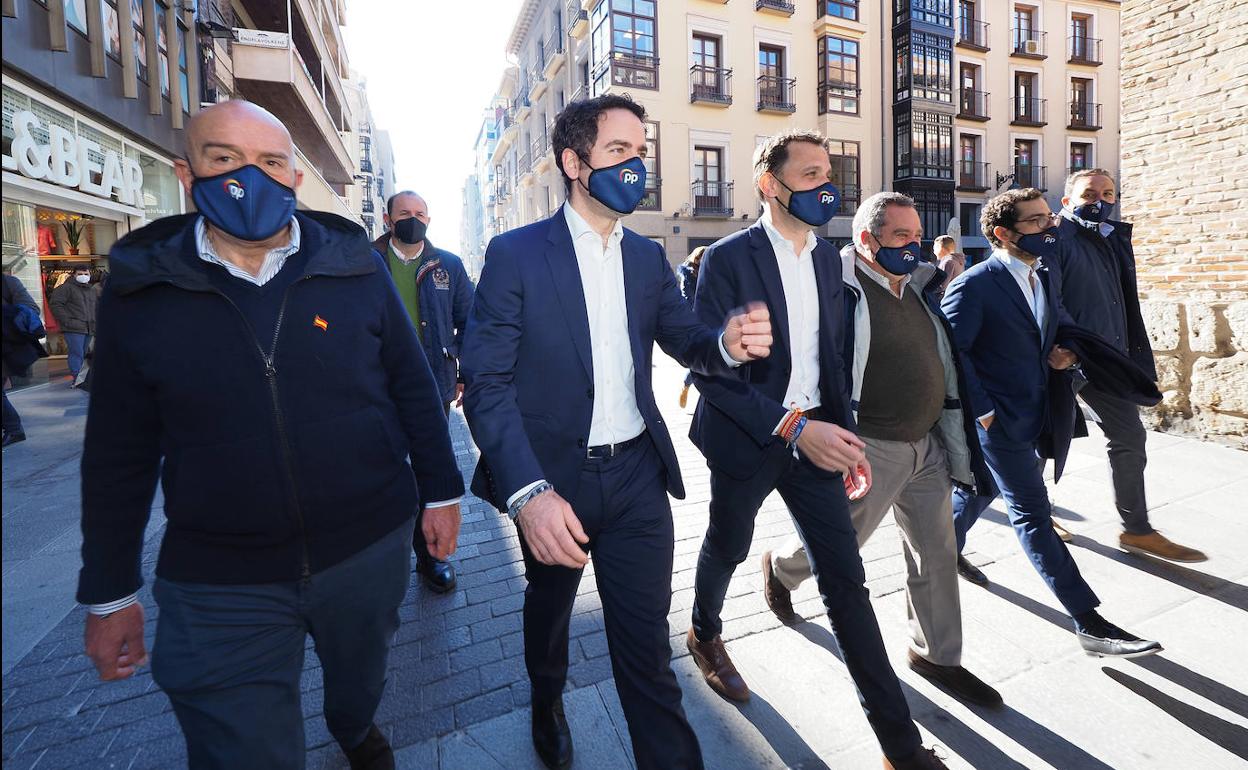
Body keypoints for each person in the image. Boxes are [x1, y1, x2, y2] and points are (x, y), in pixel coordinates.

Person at [77, 101, 465, 770]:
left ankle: (352, 725)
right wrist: (109, 590)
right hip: (221, 580)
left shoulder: (351, 266)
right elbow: (118, 448)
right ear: (186, 172)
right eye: (225, 159)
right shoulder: (143, 294)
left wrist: (441, 492)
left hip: (365, 549)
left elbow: (410, 383)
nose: (248, 178)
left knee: (361, 679)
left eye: (270, 162)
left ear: (293, 179)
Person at [460, 94, 773, 770]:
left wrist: (725, 343)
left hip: (635, 479)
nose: (636, 166)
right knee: (549, 618)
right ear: (575, 163)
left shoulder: (646, 258)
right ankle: (547, 701)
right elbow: (484, 385)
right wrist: (527, 494)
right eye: (618, 152)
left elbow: (686, 338)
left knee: (647, 657)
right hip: (552, 483)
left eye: (640, 151)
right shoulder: (515, 255)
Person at [687, 130, 947, 770]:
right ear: (769, 184)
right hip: (751, 437)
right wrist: (793, 428)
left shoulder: (833, 262)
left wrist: (846, 436)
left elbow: (833, 357)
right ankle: (704, 632)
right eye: (809, 174)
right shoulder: (726, 260)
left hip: (818, 440)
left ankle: (900, 748)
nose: (826, 185)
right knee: (728, 540)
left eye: (828, 172)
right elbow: (715, 375)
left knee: (847, 586)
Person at [763, 192, 1001, 709]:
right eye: (900, 237)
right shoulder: (837, 289)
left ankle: (937, 654)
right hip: (870, 445)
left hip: (929, 445)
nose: (912, 247)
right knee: (845, 540)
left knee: (936, 552)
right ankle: (782, 568)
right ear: (866, 239)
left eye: (916, 237)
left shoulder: (918, 286)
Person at [941, 187, 1161, 659]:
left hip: (1038, 412)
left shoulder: (1043, 276)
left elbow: (1058, 324)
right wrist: (984, 411)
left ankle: (943, 547)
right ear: (1003, 233)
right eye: (1038, 222)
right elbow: (950, 353)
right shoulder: (974, 284)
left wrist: (1064, 355)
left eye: (1049, 219)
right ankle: (1089, 621)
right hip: (997, 422)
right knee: (1032, 514)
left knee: (980, 491)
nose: (1050, 227)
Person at [1052, 169, 1205, 562]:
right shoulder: (1057, 239)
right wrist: (1064, 347)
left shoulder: (1110, 239)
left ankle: (1136, 529)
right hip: (1063, 361)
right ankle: (1018, 517)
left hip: (1105, 362)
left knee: (1129, 437)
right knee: (1041, 443)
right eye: (1089, 194)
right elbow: (1048, 299)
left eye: (1108, 193)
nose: (1100, 201)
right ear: (1067, 201)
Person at [372, 190, 476, 593]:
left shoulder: (446, 266)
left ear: (429, 220)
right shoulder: (365, 263)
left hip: (434, 387)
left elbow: (471, 322)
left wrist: (467, 373)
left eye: (420, 214)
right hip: (377, 392)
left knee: (429, 471)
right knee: (382, 474)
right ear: (387, 218)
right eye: (404, 213)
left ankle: (430, 556)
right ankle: (382, 558)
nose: (413, 220)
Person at [3, 273, 48, 447]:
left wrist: (8, 313)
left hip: (6, 345)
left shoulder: (8, 282)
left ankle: (14, 429)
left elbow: (31, 308)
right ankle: (13, 429)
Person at [49, 265, 99, 381]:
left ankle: (83, 377)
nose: (83, 276)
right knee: (76, 353)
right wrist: (66, 320)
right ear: (74, 275)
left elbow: (95, 308)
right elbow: (56, 305)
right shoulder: (65, 288)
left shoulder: (91, 290)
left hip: (89, 327)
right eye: (80, 274)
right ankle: (77, 378)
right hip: (73, 327)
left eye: (86, 274)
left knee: (84, 353)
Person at [676, 246, 707, 409]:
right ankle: (686, 385)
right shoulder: (687, 274)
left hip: (709, 320)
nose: (703, 259)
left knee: (705, 360)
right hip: (694, 322)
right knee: (698, 360)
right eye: (701, 256)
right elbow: (685, 297)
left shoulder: (710, 271)